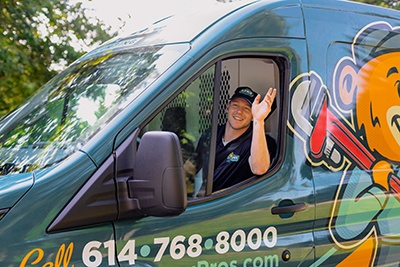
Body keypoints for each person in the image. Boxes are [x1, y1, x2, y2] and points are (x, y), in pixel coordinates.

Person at [185, 86, 277, 196]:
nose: (239, 112)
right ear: (227, 107)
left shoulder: (261, 142)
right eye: (235, 105)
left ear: (252, 115)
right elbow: (190, 169)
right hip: (204, 204)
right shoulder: (211, 134)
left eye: (247, 109)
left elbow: (259, 169)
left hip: (233, 207)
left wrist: (259, 120)